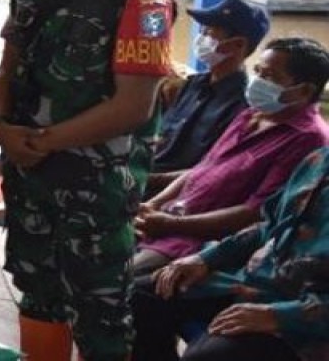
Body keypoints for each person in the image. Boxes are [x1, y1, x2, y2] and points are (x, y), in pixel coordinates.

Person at [0, 0, 177, 361]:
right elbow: (8, 68)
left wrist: (40, 143)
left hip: (94, 188)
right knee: (38, 296)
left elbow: (135, 105)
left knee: (101, 318)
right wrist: (3, 126)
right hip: (30, 174)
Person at [133, 37, 329, 276]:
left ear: (305, 90)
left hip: (197, 244)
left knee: (117, 277)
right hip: (168, 220)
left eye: (270, 77)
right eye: (258, 71)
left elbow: (255, 213)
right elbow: (204, 168)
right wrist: (153, 205)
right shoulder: (251, 115)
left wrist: (168, 224)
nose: (257, 81)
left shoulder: (308, 139)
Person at [131, 144, 329, 361]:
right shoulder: (318, 160)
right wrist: (205, 259)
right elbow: (269, 226)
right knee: (141, 297)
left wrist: (280, 316)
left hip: (306, 315)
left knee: (207, 356)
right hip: (251, 282)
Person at [145, 0, 268, 194]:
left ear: (238, 45)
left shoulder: (243, 108)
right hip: (146, 177)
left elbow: (212, 171)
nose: (201, 38)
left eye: (209, 32)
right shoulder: (191, 85)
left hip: (173, 194)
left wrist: (142, 181)